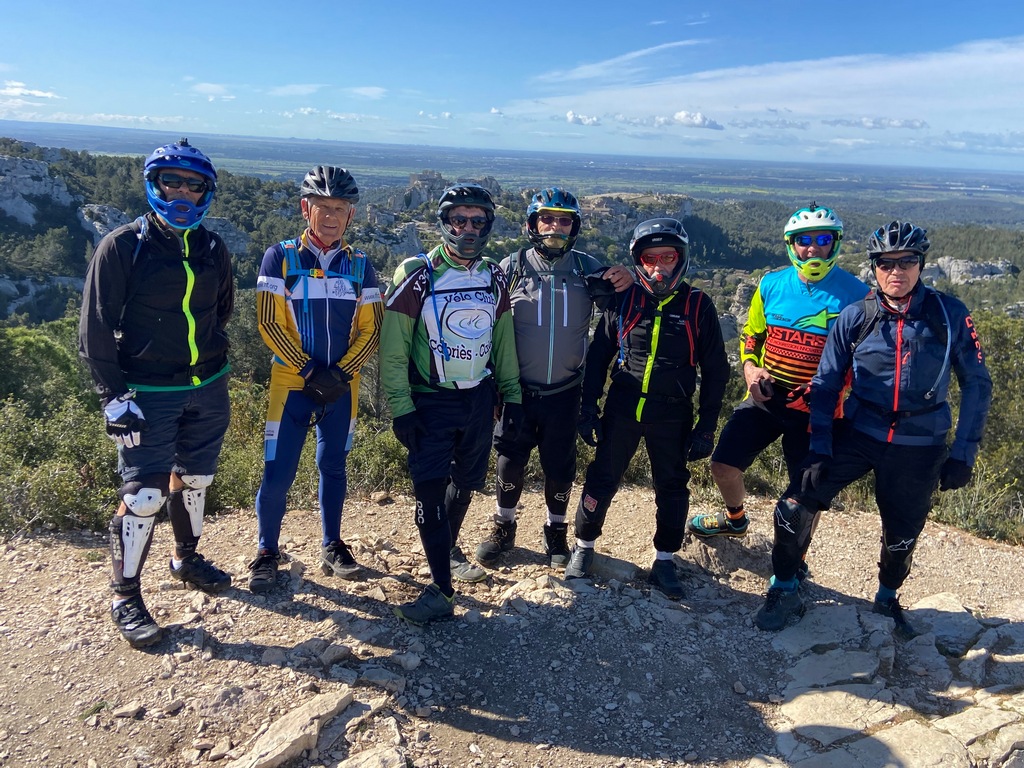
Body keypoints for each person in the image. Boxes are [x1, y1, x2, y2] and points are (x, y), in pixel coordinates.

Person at [755, 221, 992, 636]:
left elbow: (977, 383)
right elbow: (826, 383)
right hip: (858, 432)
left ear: (921, 264)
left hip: (920, 442)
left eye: (907, 261)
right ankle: (785, 588)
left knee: (901, 534)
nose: (896, 271)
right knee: (792, 508)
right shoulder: (857, 316)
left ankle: (886, 599)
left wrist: (963, 453)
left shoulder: (948, 314)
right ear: (874, 268)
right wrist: (820, 447)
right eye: (886, 263)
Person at [79, 138, 234, 648]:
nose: (183, 193)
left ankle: (185, 559)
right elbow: (94, 327)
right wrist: (113, 396)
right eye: (173, 182)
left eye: (194, 185)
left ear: (206, 192)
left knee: (195, 479)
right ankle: (124, 596)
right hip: (146, 390)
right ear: (154, 184)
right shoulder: (123, 246)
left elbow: (221, 311)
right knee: (143, 495)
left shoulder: (213, 248)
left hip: (207, 384)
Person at [380, 183, 522, 625]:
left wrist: (512, 395)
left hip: (478, 398)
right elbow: (393, 349)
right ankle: (441, 588)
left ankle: (446, 551)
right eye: (458, 220)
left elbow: (503, 339)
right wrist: (401, 407)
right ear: (443, 223)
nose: (468, 229)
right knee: (428, 490)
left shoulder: (494, 275)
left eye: (477, 221)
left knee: (466, 482)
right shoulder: (418, 273)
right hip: (431, 401)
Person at [568, 218, 730, 599]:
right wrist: (588, 409)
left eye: (667, 258)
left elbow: (716, 371)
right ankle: (584, 547)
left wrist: (707, 426)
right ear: (638, 261)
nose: (659, 268)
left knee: (672, 487)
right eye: (650, 258)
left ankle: (665, 559)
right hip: (623, 407)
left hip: (672, 413)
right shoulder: (625, 300)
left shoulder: (698, 305)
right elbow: (599, 356)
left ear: (681, 259)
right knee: (601, 478)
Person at [687, 203, 868, 543]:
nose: (812, 249)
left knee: (806, 493)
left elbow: (864, 361)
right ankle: (735, 520)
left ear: (835, 242)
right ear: (791, 245)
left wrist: (831, 389)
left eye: (822, 239)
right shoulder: (771, 285)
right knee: (723, 466)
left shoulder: (858, 296)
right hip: (767, 396)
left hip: (818, 408)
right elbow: (752, 335)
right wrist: (750, 369)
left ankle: (796, 557)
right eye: (803, 240)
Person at [474, 188, 633, 570]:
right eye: (547, 218)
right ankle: (504, 525)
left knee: (560, 468)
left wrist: (628, 278)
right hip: (517, 390)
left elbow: (626, 307)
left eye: (564, 220)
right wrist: (490, 384)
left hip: (565, 390)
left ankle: (556, 531)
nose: (555, 227)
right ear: (532, 223)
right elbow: (486, 327)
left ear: (574, 227)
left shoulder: (586, 268)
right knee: (509, 462)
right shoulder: (511, 267)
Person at [247, 166, 382, 593]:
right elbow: (269, 322)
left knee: (333, 466)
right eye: (322, 207)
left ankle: (332, 544)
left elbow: (372, 329)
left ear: (351, 215)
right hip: (291, 383)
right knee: (278, 471)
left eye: (339, 208)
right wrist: (308, 371)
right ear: (306, 209)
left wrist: (339, 373)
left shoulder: (360, 265)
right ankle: (267, 551)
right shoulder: (281, 257)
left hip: (342, 385)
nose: (330, 216)